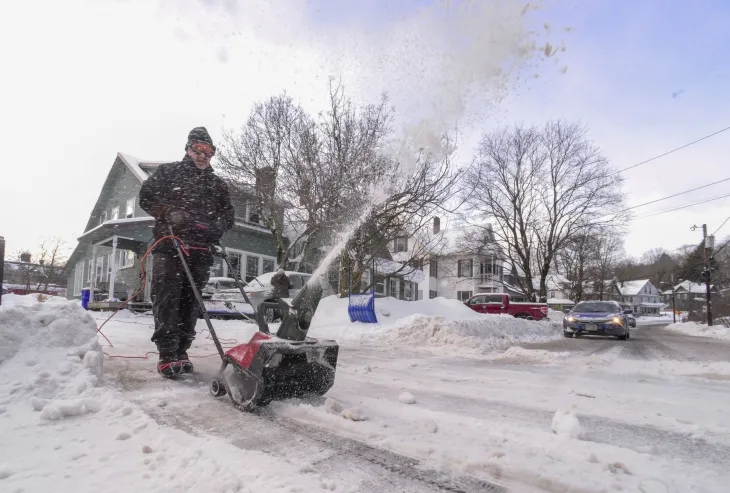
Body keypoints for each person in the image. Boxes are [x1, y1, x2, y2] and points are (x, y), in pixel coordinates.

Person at [138, 127, 235, 377]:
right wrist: (168, 211)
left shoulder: (217, 185)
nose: (203, 155)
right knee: (168, 298)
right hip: (170, 246)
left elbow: (229, 216)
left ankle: (182, 350)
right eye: (198, 149)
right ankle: (167, 353)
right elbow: (146, 197)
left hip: (201, 250)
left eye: (209, 151)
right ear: (188, 149)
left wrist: (217, 226)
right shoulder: (168, 173)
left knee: (191, 302)